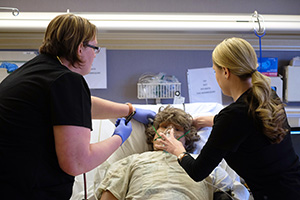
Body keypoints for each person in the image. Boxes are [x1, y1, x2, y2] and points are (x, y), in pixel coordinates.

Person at [0, 14, 155, 200]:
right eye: (95, 48)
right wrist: (118, 138)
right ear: (80, 48)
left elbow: (79, 106)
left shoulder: (37, 72)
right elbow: (77, 162)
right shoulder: (67, 80)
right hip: (30, 191)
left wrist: (129, 110)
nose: (95, 54)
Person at [156, 38, 300, 200]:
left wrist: (178, 150)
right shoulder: (268, 95)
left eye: (215, 72)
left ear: (225, 72)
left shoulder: (232, 117)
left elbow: (198, 172)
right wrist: (214, 120)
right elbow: (248, 126)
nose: (216, 77)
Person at [96, 106, 249, 200]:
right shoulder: (131, 162)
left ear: (187, 140)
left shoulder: (203, 163)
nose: (169, 132)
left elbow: (236, 192)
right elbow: (110, 195)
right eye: (163, 127)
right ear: (153, 134)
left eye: (177, 129)